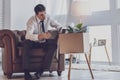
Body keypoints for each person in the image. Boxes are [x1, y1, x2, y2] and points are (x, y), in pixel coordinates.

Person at [22, 4, 62, 80]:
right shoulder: (31, 21)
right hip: (34, 41)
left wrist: (62, 29)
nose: (44, 17)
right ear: (36, 15)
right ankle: (26, 72)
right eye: (41, 15)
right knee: (26, 43)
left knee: (53, 45)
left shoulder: (48, 17)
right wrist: (39, 36)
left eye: (45, 13)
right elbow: (28, 35)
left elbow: (58, 25)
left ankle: (40, 71)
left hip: (44, 42)